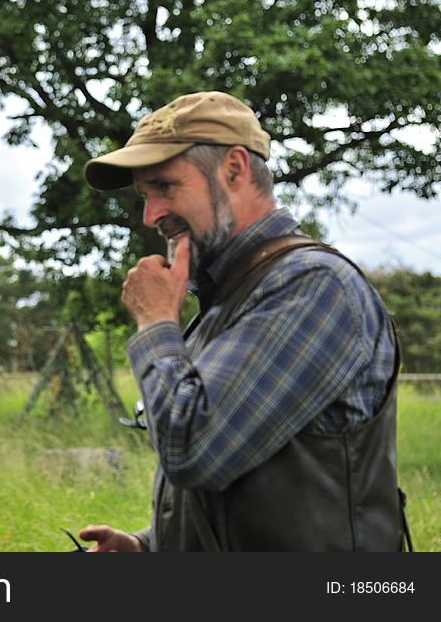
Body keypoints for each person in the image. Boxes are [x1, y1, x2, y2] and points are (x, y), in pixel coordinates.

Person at [77, 91, 408, 551]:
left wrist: (154, 324)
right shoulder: (230, 299)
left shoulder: (313, 287)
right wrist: (147, 547)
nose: (151, 215)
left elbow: (193, 450)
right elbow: (253, 490)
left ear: (234, 169)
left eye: (166, 187)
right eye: (145, 194)